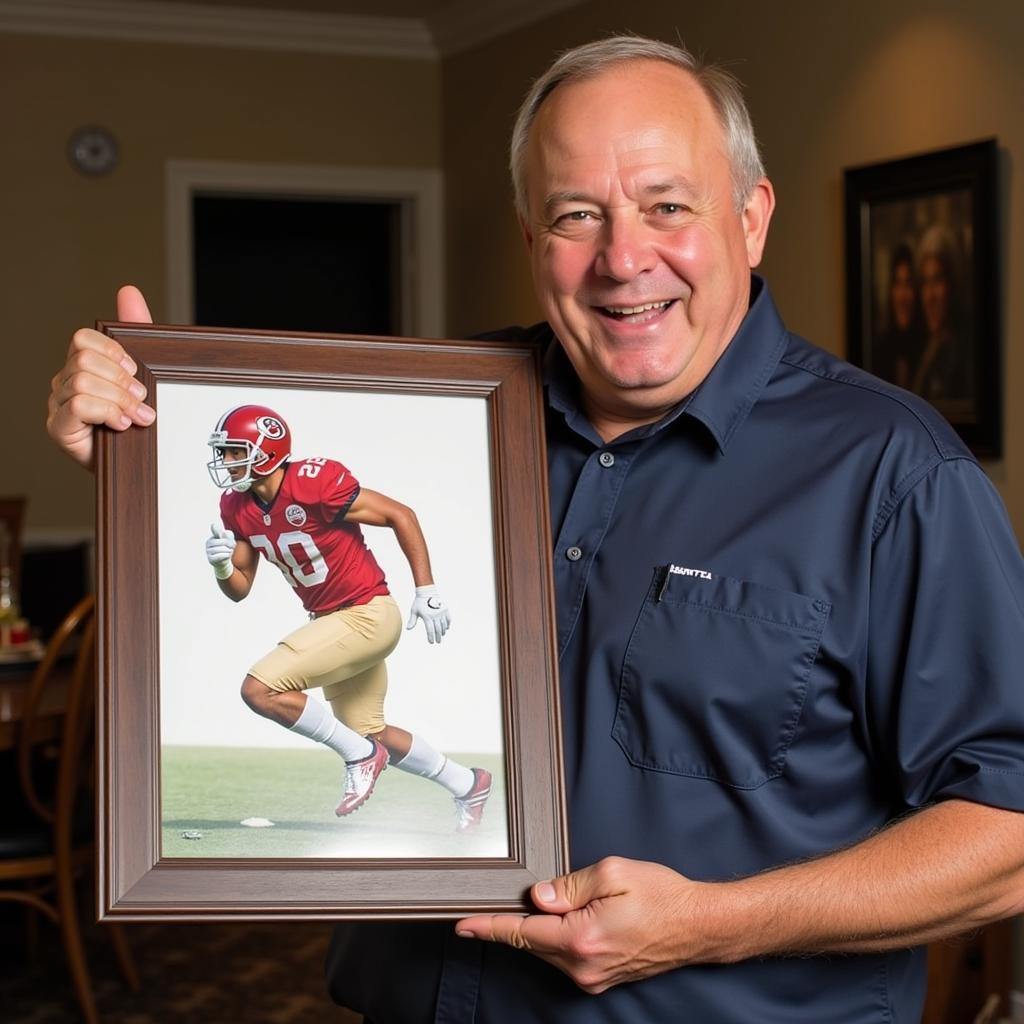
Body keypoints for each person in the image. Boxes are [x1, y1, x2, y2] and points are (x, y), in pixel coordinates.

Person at [45, 34, 1024, 1024]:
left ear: (751, 215)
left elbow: (1009, 828)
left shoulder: (892, 474)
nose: (623, 257)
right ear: (530, 238)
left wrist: (716, 920)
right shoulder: (432, 415)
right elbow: (241, 518)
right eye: (576, 215)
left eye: (667, 206)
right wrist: (135, 448)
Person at [200, 401, 492, 829]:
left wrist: (426, 589)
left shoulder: (313, 483)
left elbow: (400, 514)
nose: (225, 461)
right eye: (223, 451)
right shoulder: (236, 506)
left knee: (259, 690)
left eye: (234, 450)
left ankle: (358, 757)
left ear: (267, 450)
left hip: (367, 615)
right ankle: (468, 783)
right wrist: (222, 566)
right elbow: (239, 590)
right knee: (370, 733)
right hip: (331, 623)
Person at [911, 223, 973, 408]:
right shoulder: (925, 348)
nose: (930, 297)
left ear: (953, 284)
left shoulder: (964, 351)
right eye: (925, 282)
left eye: (937, 280)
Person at [874, 240, 923, 389]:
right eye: (898, 285)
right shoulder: (880, 350)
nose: (902, 297)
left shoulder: (927, 348)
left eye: (908, 285)